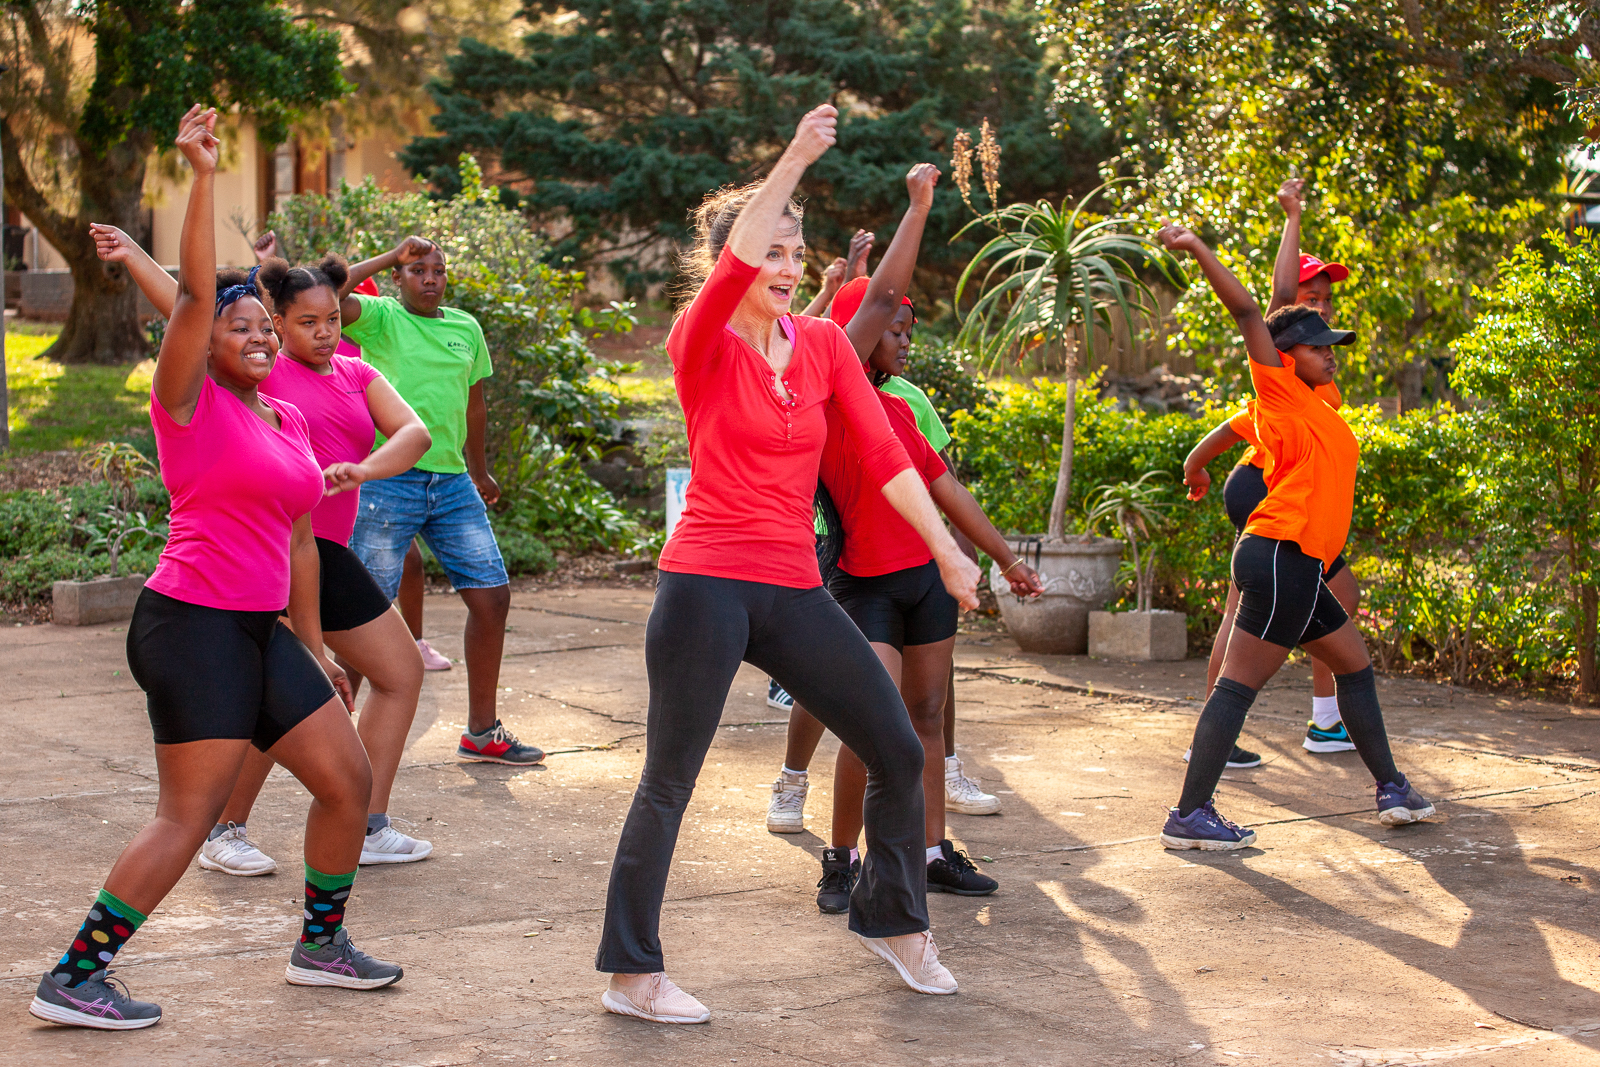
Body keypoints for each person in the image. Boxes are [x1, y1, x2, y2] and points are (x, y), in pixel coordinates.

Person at [595, 105, 982, 1024]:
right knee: (669, 778)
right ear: (732, 264)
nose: (786, 264)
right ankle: (631, 972)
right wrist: (798, 157)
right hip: (706, 585)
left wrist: (949, 553)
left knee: (893, 742)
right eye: (768, 249)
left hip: (793, 584)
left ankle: (893, 918)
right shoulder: (702, 340)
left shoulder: (817, 349)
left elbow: (886, 458)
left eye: (795, 249)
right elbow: (730, 269)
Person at [30, 107, 401, 1032]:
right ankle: (76, 974)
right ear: (211, 343)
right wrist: (199, 178)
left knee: (346, 780)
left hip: (260, 625)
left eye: (265, 328)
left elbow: (302, 537)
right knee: (188, 816)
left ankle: (320, 946)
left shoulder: (287, 420)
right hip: (188, 623)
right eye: (243, 328)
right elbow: (193, 299)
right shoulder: (186, 404)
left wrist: (312, 643)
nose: (262, 338)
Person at [90, 225, 440, 871]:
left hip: (317, 552)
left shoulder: (346, 377)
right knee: (263, 719)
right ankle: (232, 828)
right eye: (304, 320)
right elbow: (194, 311)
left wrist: (364, 469)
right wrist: (141, 254)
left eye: (333, 318)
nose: (324, 330)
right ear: (277, 323)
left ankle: (352, 837)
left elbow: (415, 433)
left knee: (355, 687)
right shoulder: (254, 369)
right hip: (247, 573)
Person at [1153, 221, 1435, 851]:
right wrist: (1199, 248)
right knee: (1238, 685)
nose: (1331, 349)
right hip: (1279, 557)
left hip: (1294, 564)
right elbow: (1255, 308)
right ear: (1286, 357)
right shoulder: (1277, 391)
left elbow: (1282, 309)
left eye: (1332, 343)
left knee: (1354, 667)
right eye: (1320, 345)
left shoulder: (1315, 402)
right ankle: (1190, 813)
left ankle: (1392, 787)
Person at [806, 260, 1047, 910]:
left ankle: (934, 851)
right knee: (869, 722)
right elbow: (853, 324)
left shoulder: (901, 412)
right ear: (860, 331)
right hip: (865, 586)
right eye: (894, 328)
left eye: (910, 328)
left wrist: (1005, 559)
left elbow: (949, 493)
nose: (905, 339)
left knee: (929, 717)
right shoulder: (825, 409)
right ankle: (840, 858)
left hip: (926, 583)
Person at [337, 236, 541, 765]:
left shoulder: (465, 327)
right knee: (364, 610)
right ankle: (333, 732)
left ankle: (482, 732)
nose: (429, 278)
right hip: (389, 479)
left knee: (492, 597)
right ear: (399, 280)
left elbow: (473, 406)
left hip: (451, 483)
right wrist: (388, 255)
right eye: (417, 270)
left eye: (438, 271)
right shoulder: (380, 318)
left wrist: (479, 470)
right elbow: (322, 295)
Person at [1180, 178, 1361, 758]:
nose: (1320, 306)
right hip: (1266, 492)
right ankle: (1225, 736)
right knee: (1251, 612)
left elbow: (1233, 425)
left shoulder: (1314, 369)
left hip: (1262, 484)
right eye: (1312, 298)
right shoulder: (1283, 363)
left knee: (1332, 598)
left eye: (1326, 298)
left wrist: (1195, 464)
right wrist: (1292, 216)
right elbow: (1269, 301)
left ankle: (1321, 721)